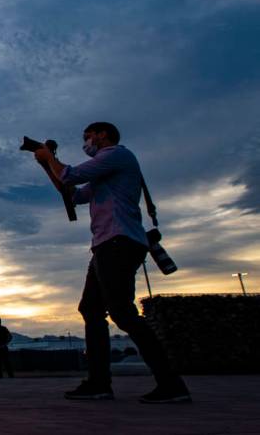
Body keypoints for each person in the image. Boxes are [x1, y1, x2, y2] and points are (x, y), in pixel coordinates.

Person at [34, 121, 191, 403]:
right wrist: (47, 166)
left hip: (118, 242)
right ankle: (99, 383)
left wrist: (51, 158)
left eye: (88, 136)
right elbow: (72, 194)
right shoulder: (104, 173)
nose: (86, 141)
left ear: (103, 135)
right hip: (107, 244)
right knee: (92, 309)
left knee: (122, 312)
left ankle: (170, 383)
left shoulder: (116, 155)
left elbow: (72, 175)